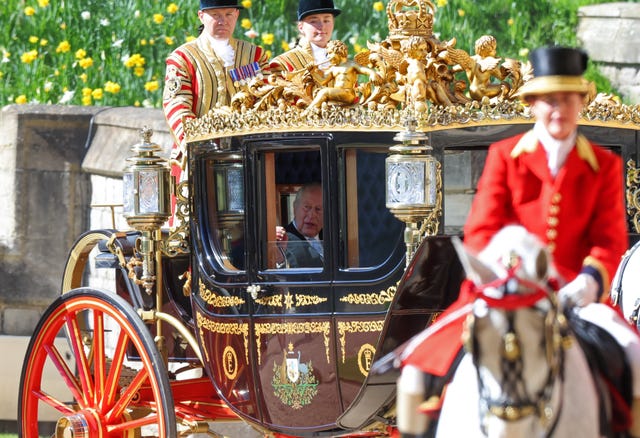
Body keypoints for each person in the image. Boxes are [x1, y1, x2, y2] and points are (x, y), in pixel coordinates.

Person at [399, 46, 640, 436]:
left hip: (574, 295)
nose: (558, 109)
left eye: (566, 99)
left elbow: (609, 240)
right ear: (532, 105)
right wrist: (503, 269)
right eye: (548, 100)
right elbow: (480, 230)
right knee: (412, 376)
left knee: (636, 360)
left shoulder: (604, 165)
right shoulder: (506, 155)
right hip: (503, 287)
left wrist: (589, 281)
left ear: (581, 102)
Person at [163, 0, 270, 172]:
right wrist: (198, 145)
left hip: (248, 154)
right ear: (201, 16)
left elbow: (267, 100)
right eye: (216, 15)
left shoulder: (255, 55)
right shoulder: (183, 57)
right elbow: (176, 105)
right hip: (199, 156)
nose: (223, 21)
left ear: (236, 15)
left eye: (228, 14)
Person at [269, 0, 341, 73]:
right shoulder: (283, 65)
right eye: (314, 21)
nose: (322, 26)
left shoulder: (343, 63)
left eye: (326, 20)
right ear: (300, 27)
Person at [275, 183, 324, 268]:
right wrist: (280, 260)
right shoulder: (283, 241)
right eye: (307, 207)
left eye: (318, 209)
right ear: (295, 207)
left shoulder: (333, 239)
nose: (312, 215)